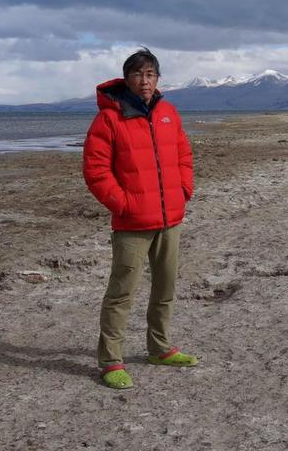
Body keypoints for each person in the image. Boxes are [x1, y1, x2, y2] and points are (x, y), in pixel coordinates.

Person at [82, 47, 198, 389]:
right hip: (132, 223)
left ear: (157, 79)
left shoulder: (168, 113)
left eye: (150, 74)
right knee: (122, 292)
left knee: (166, 287)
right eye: (137, 74)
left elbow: (184, 155)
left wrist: (183, 191)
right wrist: (124, 204)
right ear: (126, 78)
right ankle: (110, 360)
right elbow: (95, 170)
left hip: (169, 219)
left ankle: (159, 348)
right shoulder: (109, 118)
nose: (144, 81)